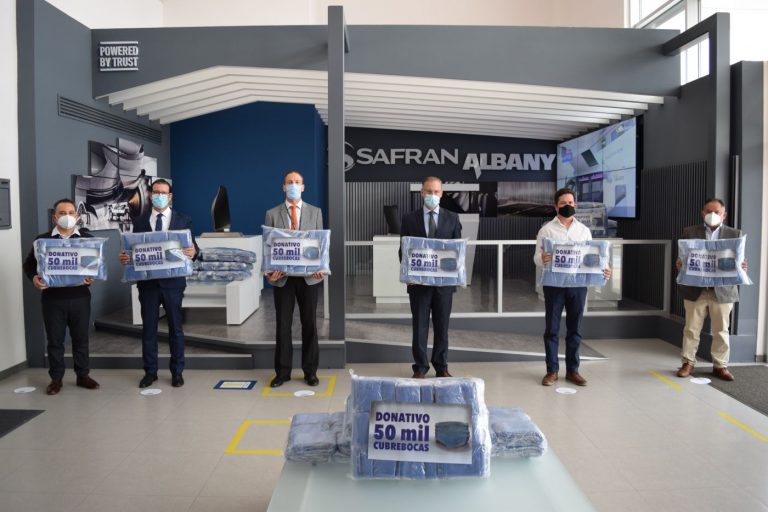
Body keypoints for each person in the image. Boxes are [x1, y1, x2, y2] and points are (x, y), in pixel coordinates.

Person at [119, 178, 198, 388]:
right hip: (148, 285)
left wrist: (194, 251)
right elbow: (132, 250)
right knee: (149, 329)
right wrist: (125, 257)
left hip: (173, 284)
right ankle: (150, 372)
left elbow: (194, 248)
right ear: (150, 195)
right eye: (156, 192)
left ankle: (177, 372)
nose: (159, 195)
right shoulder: (139, 221)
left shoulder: (183, 219)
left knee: (176, 329)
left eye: (163, 192)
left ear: (170, 196)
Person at [534, 188, 611, 387]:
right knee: (552, 329)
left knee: (575, 329)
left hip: (578, 286)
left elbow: (591, 257)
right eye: (563, 203)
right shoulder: (546, 230)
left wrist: (604, 268)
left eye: (570, 202)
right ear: (556, 206)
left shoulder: (583, 230)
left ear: (575, 204)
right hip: (554, 286)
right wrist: (543, 258)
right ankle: (552, 371)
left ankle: (573, 371)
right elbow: (536, 257)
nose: (568, 206)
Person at [23, 198, 100, 395]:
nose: (67, 216)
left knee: (81, 339)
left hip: (80, 297)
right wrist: (34, 278)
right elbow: (29, 264)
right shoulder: (42, 240)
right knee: (55, 341)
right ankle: (56, 379)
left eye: (71, 213)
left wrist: (92, 276)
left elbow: (95, 265)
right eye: (62, 213)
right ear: (54, 217)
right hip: (52, 299)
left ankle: (82, 375)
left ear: (77, 216)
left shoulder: (87, 239)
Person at [674, 198, 747, 381]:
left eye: (716, 212)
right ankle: (688, 362)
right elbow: (683, 259)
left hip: (722, 290)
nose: (712, 215)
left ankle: (720, 366)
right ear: (702, 213)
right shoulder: (690, 232)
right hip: (695, 290)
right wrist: (680, 264)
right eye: (708, 211)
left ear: (724, 215)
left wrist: (741, 267)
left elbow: (739, 262)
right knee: (691, 329)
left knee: (721, 330)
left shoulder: (734, 234)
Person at [264, 170, 324, 388]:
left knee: (310, 325)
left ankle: (310, 372)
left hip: (309, 278)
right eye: (290, 182)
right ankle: (282, 373)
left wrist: (320, 267)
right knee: (283, 325)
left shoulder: (315, 212)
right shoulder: (272, 214)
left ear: (303, 187)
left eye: (297, 182)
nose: (293, 185)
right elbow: (268, 247)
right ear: (283, 187)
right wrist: (269, 271)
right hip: (283, 278)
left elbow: (320, 244)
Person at [400, 176, 462, 379]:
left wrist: (456, 274)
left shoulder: (453, 218)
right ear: (421, 193)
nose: (432, 195)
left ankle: (441, 366)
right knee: (419, 327)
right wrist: (408, 272)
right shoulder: (409, 219)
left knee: (442, 327)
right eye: (428, 191)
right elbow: (403, 251)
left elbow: (457, 252)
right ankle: (420, 367)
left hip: (444, 285)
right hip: (418, 284)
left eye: (436, 192)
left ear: (441, 193)